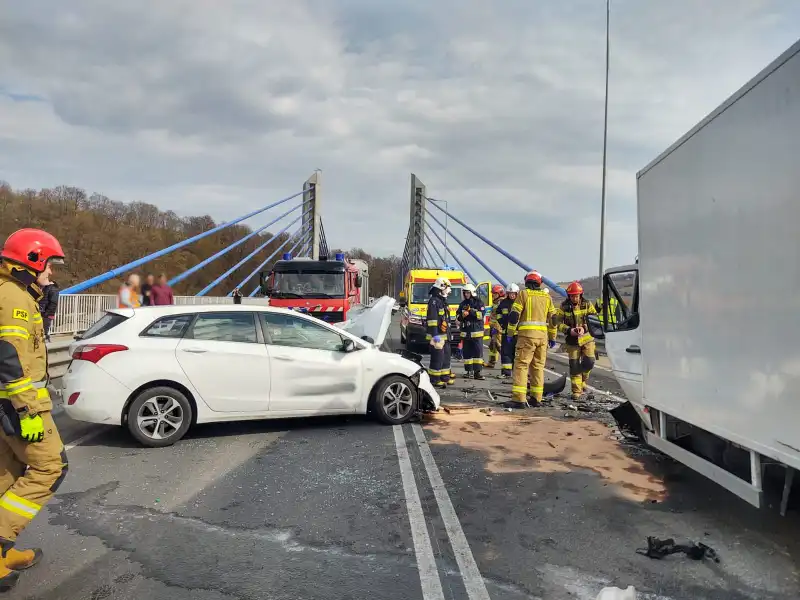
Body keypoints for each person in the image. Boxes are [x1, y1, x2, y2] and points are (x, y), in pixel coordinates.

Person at [0, 228, 69, 591]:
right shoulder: (13, 297)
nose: (51, 274)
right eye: (49, 266)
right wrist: (27, 411)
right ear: (33, 260)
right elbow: (9, 358)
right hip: (18, 404)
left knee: (8, 473)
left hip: (6, 402)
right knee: (51, 467)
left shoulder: (16, 293)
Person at [506, 271, 557, 408]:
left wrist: (510, 334)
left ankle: (519, 399)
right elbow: (553, 320)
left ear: (527, 282)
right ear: (539, 283)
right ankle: (536, 398)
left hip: (526, 337)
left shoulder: (523, 294)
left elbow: (514, 316)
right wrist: (552, 337)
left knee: (521, 366)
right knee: (538, 368)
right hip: (542, 338)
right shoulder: (547, 297)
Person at [555, 281, 599, 401]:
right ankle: (576, 391)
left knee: (589, 361)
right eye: (572, 295)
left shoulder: (587, 304)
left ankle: (583, 380)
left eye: (577, 295)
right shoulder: (564, 306)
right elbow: (557, 323)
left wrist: (584, 328)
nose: (575, 298)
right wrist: (569, 330)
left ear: (581, 295)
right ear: (569, 296)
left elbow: (595, 319)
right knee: (574, 366)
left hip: (587, 339)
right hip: (572, 341)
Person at [425, 277, 452, 389]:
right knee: (437, 357)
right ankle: (434, 379)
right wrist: (435, 335)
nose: (448, 291)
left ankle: (444, 377)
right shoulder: (434, 301)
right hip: (437, 336)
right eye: (447, 288)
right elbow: (432, 321)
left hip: (444, 335)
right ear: (441, 287)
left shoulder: (441, 301)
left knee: (445, 356)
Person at [457, 283, 486, 380]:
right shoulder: (462, 304)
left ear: (472, 293)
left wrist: (471, 311)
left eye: (467, 293)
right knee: (467, 353)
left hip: (476, 332)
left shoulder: (479, 303)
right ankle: (468, 371)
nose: (466, 295)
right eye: (465, 293)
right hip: (466, 332)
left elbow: (481, 315)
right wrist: (462, 316)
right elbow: (458, 317)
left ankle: (477, 373)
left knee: (478, 353)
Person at [496, 283, 519, 378]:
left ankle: (518, 374)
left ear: (517, 294)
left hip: (518, 333)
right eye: (510, 293)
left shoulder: (520, 303)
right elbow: (498, 313)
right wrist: (501, 322)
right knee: (506, 352)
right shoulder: (503, 303)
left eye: (513, 293)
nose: (512, 295)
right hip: (506, 332)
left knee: (517, 354)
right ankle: (506, 373)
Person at [486, 284, 505, 368]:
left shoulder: (501, 302)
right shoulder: (495, 302)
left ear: (499, 293)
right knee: (492, 346)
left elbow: (499, 316)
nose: (493, 295)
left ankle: (507, 363)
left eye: (494, 293)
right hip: (494, 327)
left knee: (498, 345)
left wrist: (496, 328)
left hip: (497, 328)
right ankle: (491, 362)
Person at [36, 275, 59, 343]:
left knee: (44, 329)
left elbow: (53, 303)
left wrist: (47, 313)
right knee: (42, 329)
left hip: (47, 313)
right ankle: (45, 340)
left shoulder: (53, 288)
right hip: (43, 311)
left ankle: (45, 343)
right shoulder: (46, 287)